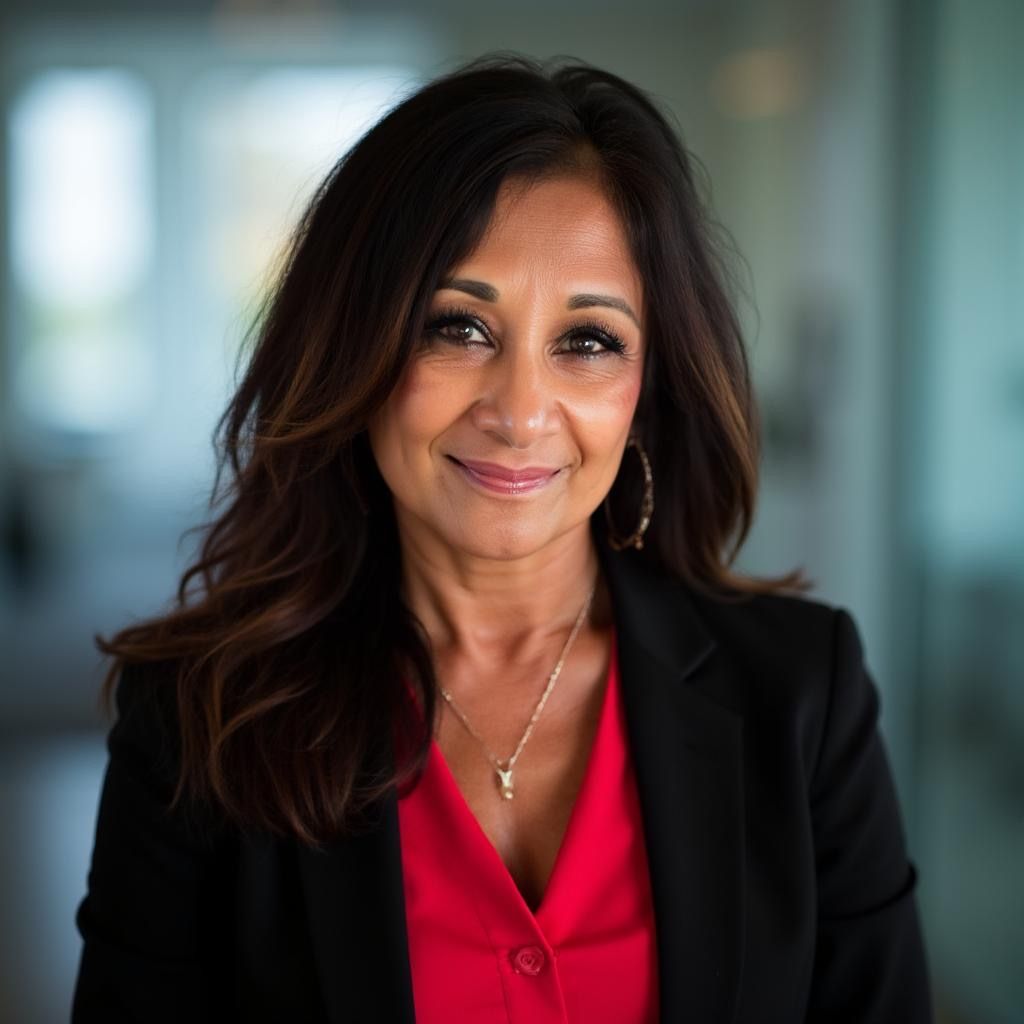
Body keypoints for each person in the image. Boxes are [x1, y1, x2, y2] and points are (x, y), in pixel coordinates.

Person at [71, 53, 933, 1023]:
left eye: (588, 341)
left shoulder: (804, 692)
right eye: (459, 328)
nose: (521, 412)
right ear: (355, 346)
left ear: (646, 390)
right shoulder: (196, 719)